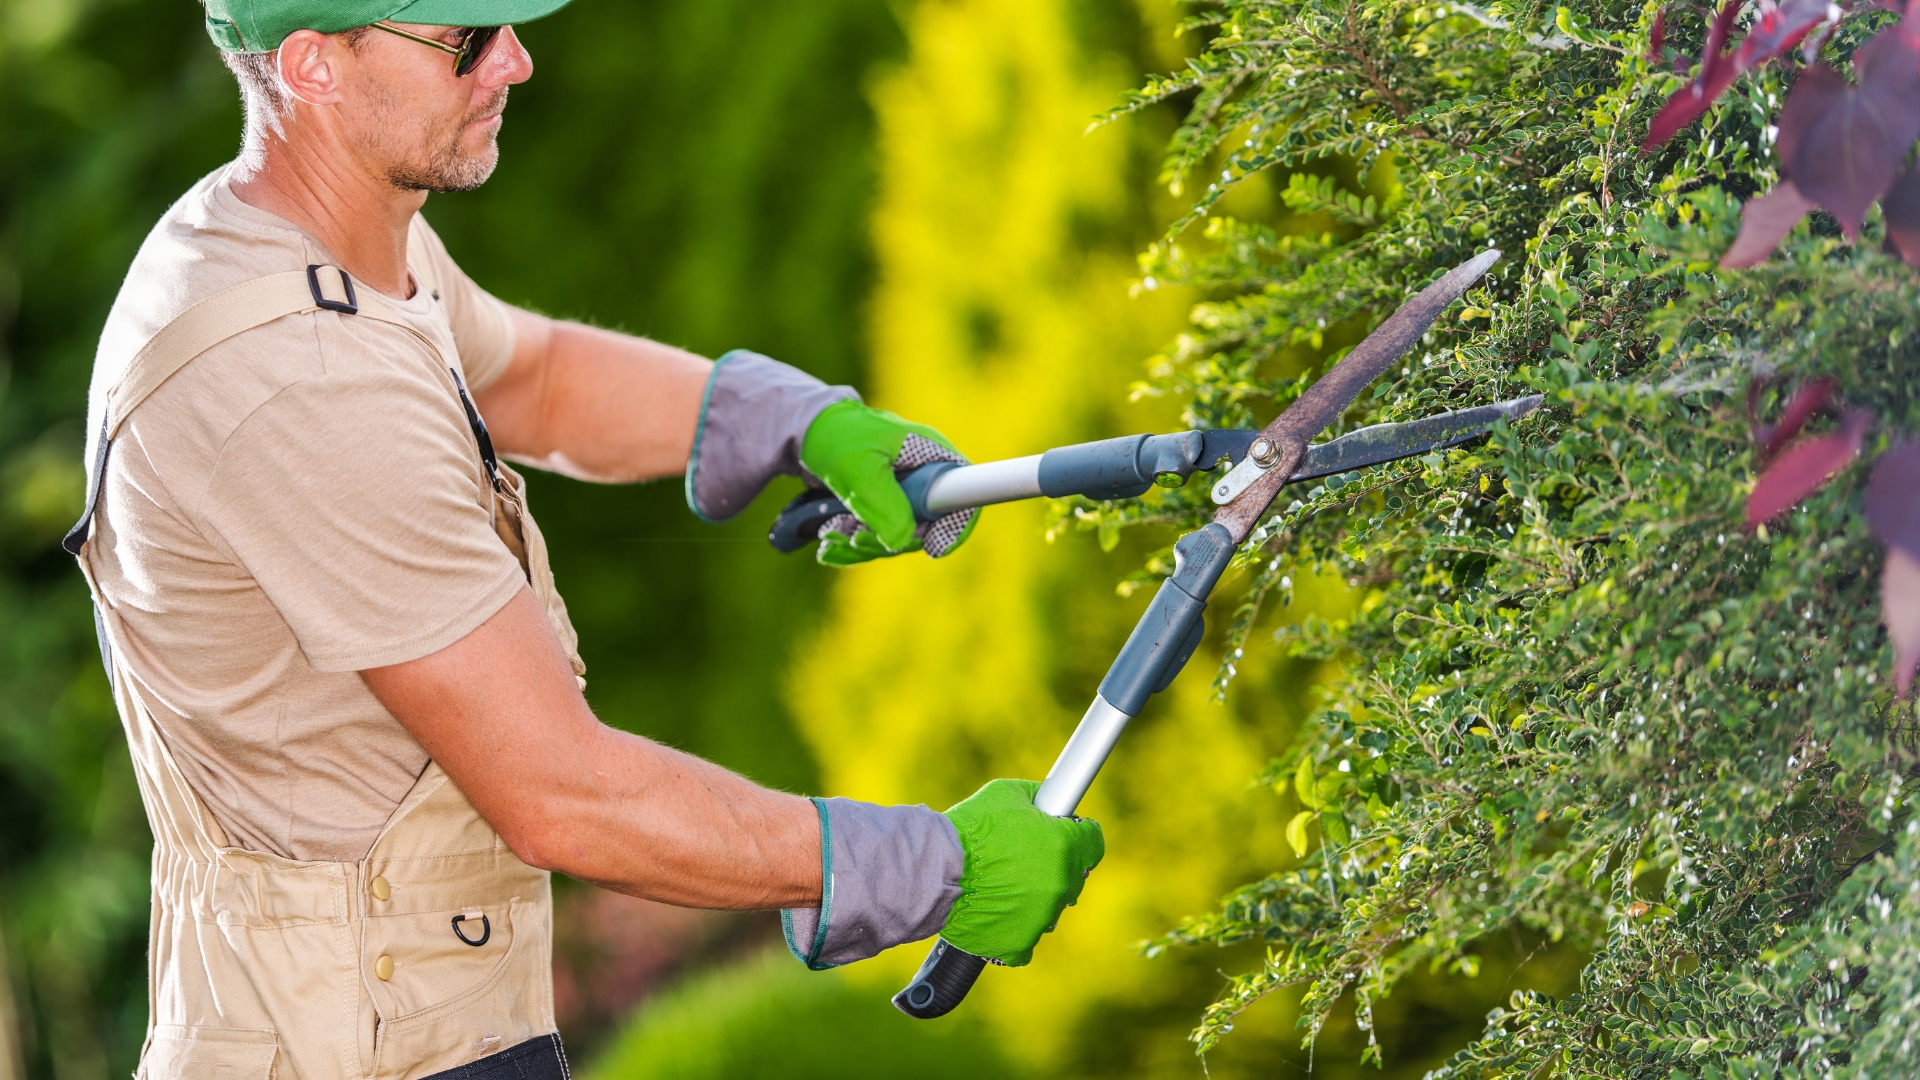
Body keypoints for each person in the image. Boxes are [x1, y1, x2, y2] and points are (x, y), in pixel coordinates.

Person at [65, 3, 1105, 1079]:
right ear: (313, 66)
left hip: (411, 1019)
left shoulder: (318, 236)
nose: (515, 58)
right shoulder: (298, 380)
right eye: (464, 39)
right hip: (363, 1054)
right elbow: (563, 796)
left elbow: (533, 376)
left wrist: (791, 421)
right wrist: (934, 865)